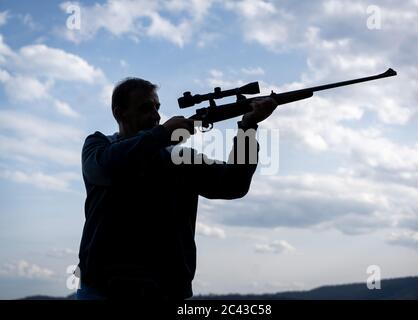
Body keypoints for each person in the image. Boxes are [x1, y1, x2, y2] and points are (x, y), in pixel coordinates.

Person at [76, 77, 277, 300]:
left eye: (157, 107)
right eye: (145, 108)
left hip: (167, 289)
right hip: (104, 290)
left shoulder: (179, 157)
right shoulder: (99, 146)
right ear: (119, 113)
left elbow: (234, 184)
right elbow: (107, 166)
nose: (156, 116)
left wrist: (248, 128)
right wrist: (162, 135)